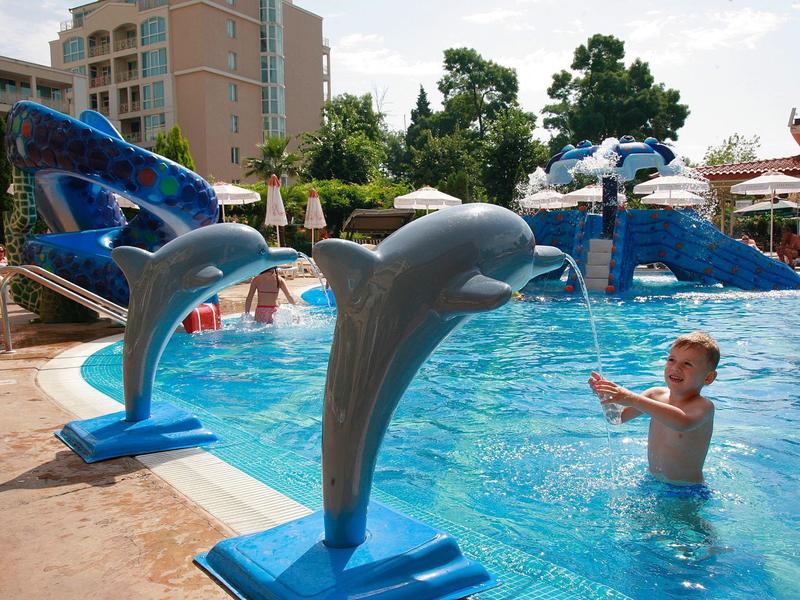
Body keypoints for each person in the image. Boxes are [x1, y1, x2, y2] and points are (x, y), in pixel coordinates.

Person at [588, 331, 719, 485]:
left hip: (687, 489)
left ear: (708, 377)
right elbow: (617, 418)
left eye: (687, 364)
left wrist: (632, 398)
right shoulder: (654, 395)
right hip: (651, 481)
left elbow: (682, 423)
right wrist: (605, 396)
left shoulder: (704, 407)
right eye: (672, 359)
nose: (676, 367)